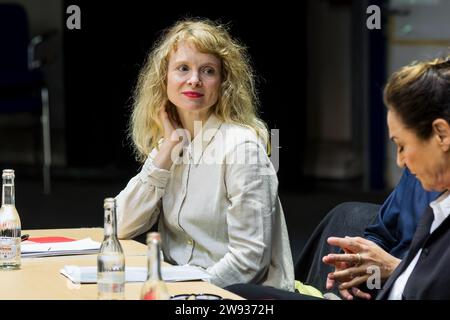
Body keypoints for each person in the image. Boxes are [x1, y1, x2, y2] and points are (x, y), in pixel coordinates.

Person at [114, 18, 294, 291]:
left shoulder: (241, 148)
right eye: (183, 68)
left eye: (208, 71)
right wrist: (165, 153)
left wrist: (190, 291)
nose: (194, 80)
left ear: (223, 82)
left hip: (237, 295)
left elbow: (249, 261)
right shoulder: (170, 141)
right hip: (180, 288)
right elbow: (119, 225)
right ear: (165, 78)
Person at [322, 168, 439, 300]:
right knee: (343, 213)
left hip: (419, 289)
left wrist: (396, 269)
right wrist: (359, 265)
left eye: (403, 148)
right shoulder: (414, 171)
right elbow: (381, 235)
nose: (400, 162)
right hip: (388, 286)